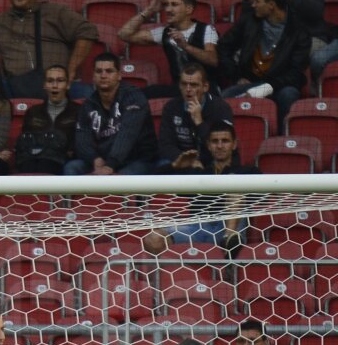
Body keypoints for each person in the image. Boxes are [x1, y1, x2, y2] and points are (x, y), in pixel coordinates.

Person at [143, 122, 258, 257]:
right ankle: (173, 276)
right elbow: (151, 183)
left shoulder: (249, 171)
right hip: (198, 228)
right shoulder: (199, 174)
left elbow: (264, 199)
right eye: (215, 141)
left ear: (234, 144)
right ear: (209, 145)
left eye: (225, 141)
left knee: (235, 181)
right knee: (153, 239)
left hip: (229, 227)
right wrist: (175, 166)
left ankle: (229, 240)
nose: (220, 146)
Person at [218, 0, 310, 130]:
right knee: (225, 97)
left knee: (289, 94)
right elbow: (223, 47)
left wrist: (267, 88)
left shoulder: (299, 33)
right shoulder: (249, 21)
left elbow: (295, 73)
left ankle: (281, 137)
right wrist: (236, 76)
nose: (252, 4)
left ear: (271, 5)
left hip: (280, 85)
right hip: (249, 82)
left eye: (257, 1)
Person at [0, 0, 97, 100]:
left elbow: (88, 31)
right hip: (14, 86)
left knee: (89, 95)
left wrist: (71, 69)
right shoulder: (1, 22)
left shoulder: (56, 12)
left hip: (57, 83)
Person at [229, 0, 338, 90]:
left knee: (314, 56)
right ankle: (251, 92)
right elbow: (247, 19)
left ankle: (312, 93)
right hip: (267, 38)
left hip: (310, 35)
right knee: (238, 54)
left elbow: (315, 12)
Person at [118, 0, 220, 100]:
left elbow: (213, 60)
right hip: (178, 88)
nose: (168, 9)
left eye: (174, 5)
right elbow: (124, 34)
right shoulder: (164, 32)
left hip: (204, 89)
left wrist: (185, 46)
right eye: (166, 5)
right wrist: (151, 9)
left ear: (189, 9)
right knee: (135, 95)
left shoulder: (207, 30)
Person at [65, 53, 158, 175]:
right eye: (99, 71)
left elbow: (128, 134)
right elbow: (82, 138)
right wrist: (95, 159)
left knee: (124, 178)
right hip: (103, 160)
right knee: (72, 167)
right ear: (93, 76)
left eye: (109, 71)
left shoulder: (134, 97)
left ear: (119, 75)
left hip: (137, 160)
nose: (103, 75)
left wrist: (110, 165)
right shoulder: (88, 104)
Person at [157, 64, 234, 171]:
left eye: (193, 85)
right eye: (184, 84)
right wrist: (186, 160)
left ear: (205, 87)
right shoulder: (171, 107)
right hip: (180, 159)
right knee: (163, 164)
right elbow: (165, 144)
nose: (188, 89)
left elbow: (222, 145)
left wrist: (199, 122)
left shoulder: (221, 108)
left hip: (210, 158)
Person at [15, 64, 80, 174]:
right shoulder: (32, 112)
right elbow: (25, 142)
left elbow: (81, 142)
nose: (55, 85)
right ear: (44, 85)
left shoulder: (79, 111)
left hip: (63, 160)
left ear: (68, 85)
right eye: (50, 81)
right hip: (34, 159)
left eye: (60, 81)